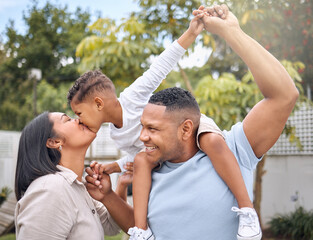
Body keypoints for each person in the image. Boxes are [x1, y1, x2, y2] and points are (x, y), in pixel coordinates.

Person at [85, 4, 299, 240]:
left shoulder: (234, 149)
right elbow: (140, 230)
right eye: (143, 127)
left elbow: (284, 96)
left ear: (186, 129)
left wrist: (232, 32)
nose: (142, 136)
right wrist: (107, 196)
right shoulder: (148, 168)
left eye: (153, 129)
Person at [14, 112, 134, 239]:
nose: (77, 120)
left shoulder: (76, 186)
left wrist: (110, 192)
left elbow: (112, 226)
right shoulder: (50, 190)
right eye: (67, 119)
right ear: (54, 142)